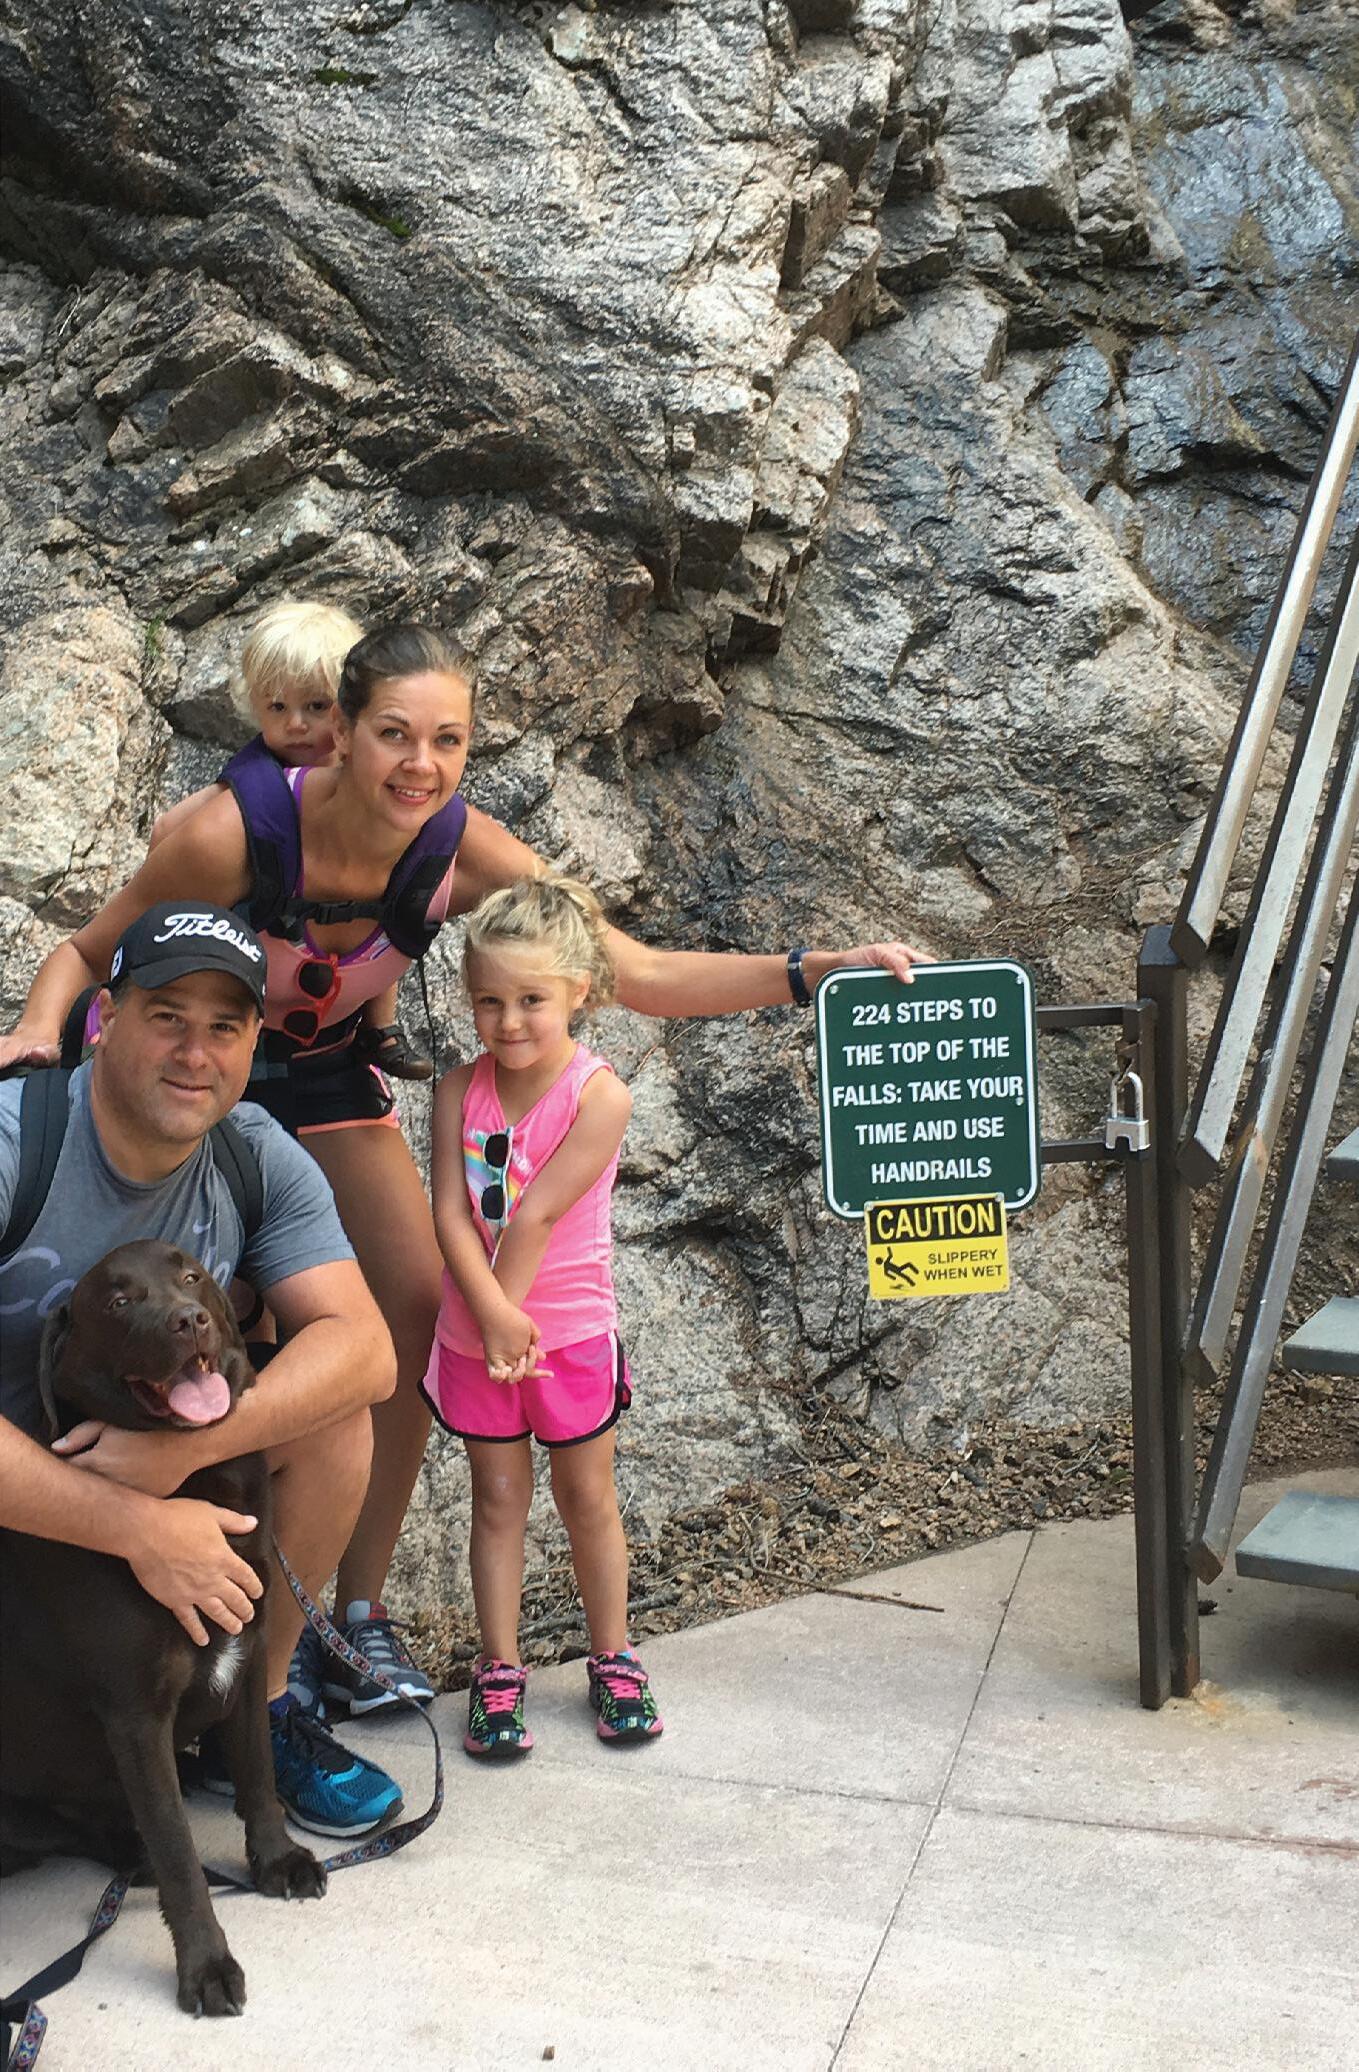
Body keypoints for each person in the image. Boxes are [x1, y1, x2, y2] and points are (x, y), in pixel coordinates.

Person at [0, 620, 930, 1722]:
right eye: (395, 733)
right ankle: (162, 1613)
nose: (421, 763)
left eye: (448, 739)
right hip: (199, 1085)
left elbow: (630, 970)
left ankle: (352, 1618)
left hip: (321, 1078)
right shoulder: (227, 832)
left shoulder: (456, 848)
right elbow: (89, 948)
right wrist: (38, 1036)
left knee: (416, 1308)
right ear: (340, 731)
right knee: (192, 1318)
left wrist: (809, 972)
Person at [0, 902, 406, 1838]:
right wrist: (135, 1524)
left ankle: (251, 1712)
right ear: (105, 1019)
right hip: (19, 1492)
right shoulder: (16, 1145)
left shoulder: (252, 1153)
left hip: (141, 1453)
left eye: (224, 1027)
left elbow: (365, 1349)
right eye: (167, 1017)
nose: (195, 1053)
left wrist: (181, 1455)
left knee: (331, 1413)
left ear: (254, 1042)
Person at [429, 876, 657, 1755]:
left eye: (531, 999)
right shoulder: (457, 1090)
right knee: (496, 1500)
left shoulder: (600, 1097)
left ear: (578, 992)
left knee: (585, 1496)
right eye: (489, 1001)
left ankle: (613, 1656)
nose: (509, 1021)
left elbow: (536, 1216)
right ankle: (498, 1667)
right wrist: (487, 1319)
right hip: (476, 1335)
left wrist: (506, 1320)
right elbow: (451, 1215)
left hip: (565, 1335)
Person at [151, 599, 430, 1081]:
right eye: (277, 707)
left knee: (391, 902)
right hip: (265, 946)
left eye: (316, 706)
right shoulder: (252, 788)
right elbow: (165, 830)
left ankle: (380, 1024)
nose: (296, 724)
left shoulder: (370, 777)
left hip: (358, 945)